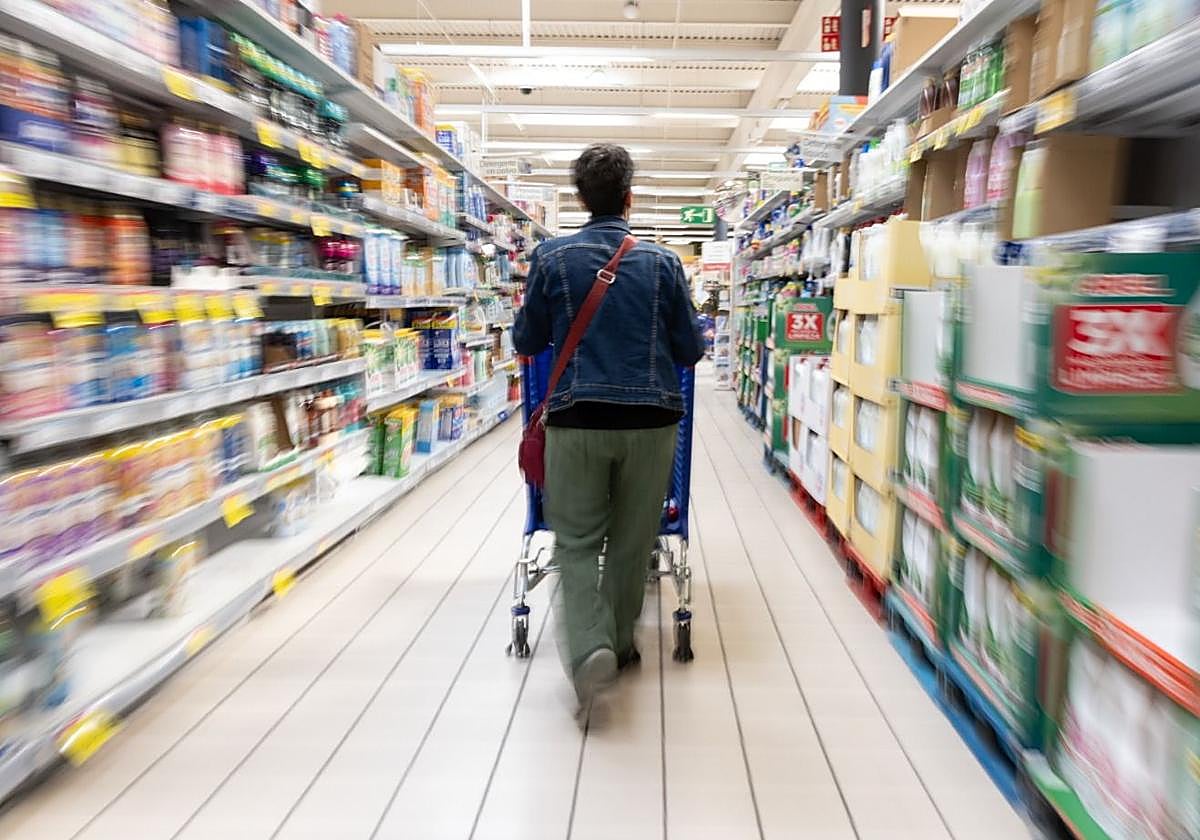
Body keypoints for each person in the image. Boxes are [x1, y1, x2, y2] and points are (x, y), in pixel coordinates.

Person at [513, 143, 706, 712]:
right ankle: (620, 646)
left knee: (575, 542)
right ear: (629, 197)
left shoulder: (550, 258)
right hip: (653, 426)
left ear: (579, 200)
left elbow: (527, 341)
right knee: (632, 542)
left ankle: (589, 648)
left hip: (577, 420)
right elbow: (690, 350)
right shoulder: (665, 263)